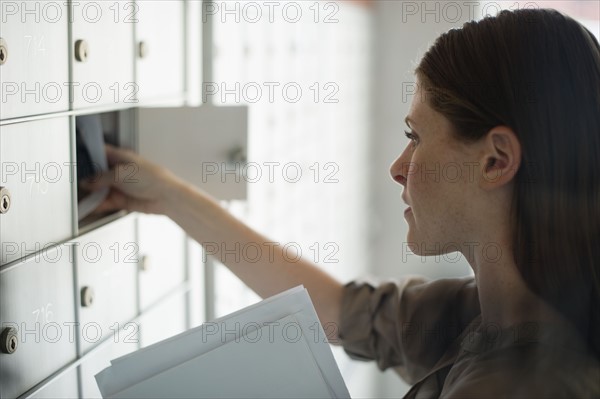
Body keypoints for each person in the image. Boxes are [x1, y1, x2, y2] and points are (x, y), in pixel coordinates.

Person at [88, 8, 600, 398]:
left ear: (495, 161)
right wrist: (173, 197)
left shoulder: (528, 383)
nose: (399, 167)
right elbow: (334, 310)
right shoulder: (490, 311)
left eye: (416, 137)